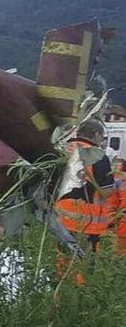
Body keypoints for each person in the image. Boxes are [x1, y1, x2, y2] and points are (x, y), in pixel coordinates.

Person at [53, 119, 116, 285]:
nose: (102, 142)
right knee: (83, 270)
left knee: (63, 267)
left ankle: (60, 303)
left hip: (61, 222)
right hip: (86, 225)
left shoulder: (63, 150)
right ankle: (80, 306)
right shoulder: (97, 156)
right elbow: (106, 191)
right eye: (102, 138)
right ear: (95, 135)